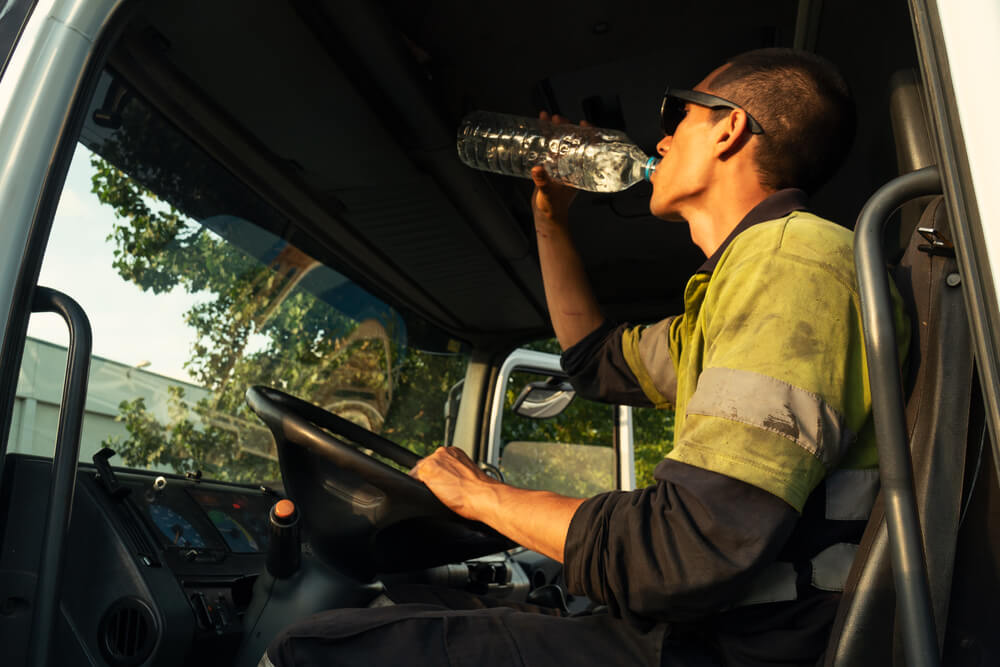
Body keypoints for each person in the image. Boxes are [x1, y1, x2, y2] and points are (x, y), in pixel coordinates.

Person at [263, 48, 908, 667]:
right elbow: (595, 362)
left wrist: (482, 496)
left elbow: (685, 549)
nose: (658, 143)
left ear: (728, 129)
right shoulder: (743, 282)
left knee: (313, 649)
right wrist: (551, 216)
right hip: (699, 636)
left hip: (727, 649)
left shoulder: (793, 265)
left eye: (675, 118)